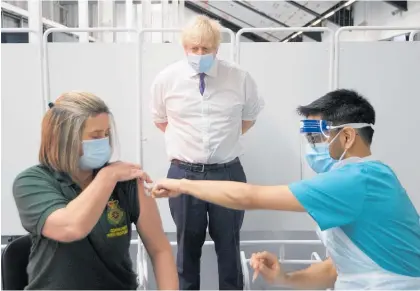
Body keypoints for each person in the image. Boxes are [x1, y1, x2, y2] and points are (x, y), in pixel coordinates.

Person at [152, 89, 420, 290]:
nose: (311, 147)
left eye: (316, 138)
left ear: (347, 137)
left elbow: (249, 196)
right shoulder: (367, 177)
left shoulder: (356, 180)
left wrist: (183, 184)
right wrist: (284, 278)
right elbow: (334, 270)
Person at [12, 92, 178, 290]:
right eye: (95, 136)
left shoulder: (128, 184)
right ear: (65, 139)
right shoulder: (32, 182)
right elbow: (71, 227)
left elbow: (160, 250)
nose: (104, 141)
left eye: (107, 133)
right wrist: (107, 177)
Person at [149, 14, 264, 290]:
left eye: (206, 49)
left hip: (227, 171)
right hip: (183, 175)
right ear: (184, 47)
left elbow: (248, 118)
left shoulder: (239, 77)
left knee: (229, 246)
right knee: (187, 248)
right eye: (194, 49)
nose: (200, 54)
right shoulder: (167, 78)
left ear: (217, 48)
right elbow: (160, 119)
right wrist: (191, 146)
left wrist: (221, 143)